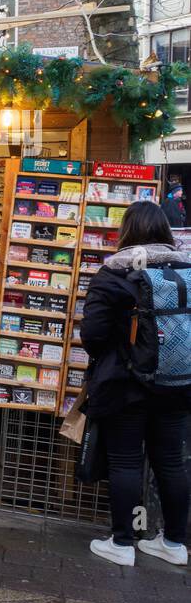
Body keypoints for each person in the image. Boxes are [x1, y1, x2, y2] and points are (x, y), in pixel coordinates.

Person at [80, 201, 190, 567]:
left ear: (127, 231)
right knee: (170, 461)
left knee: (126, 460)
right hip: (177, 381)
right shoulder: (186, 270)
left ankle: (122, 542)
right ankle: (174, 543)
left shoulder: (114, 273)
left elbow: (92, 334)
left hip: (125, 383)